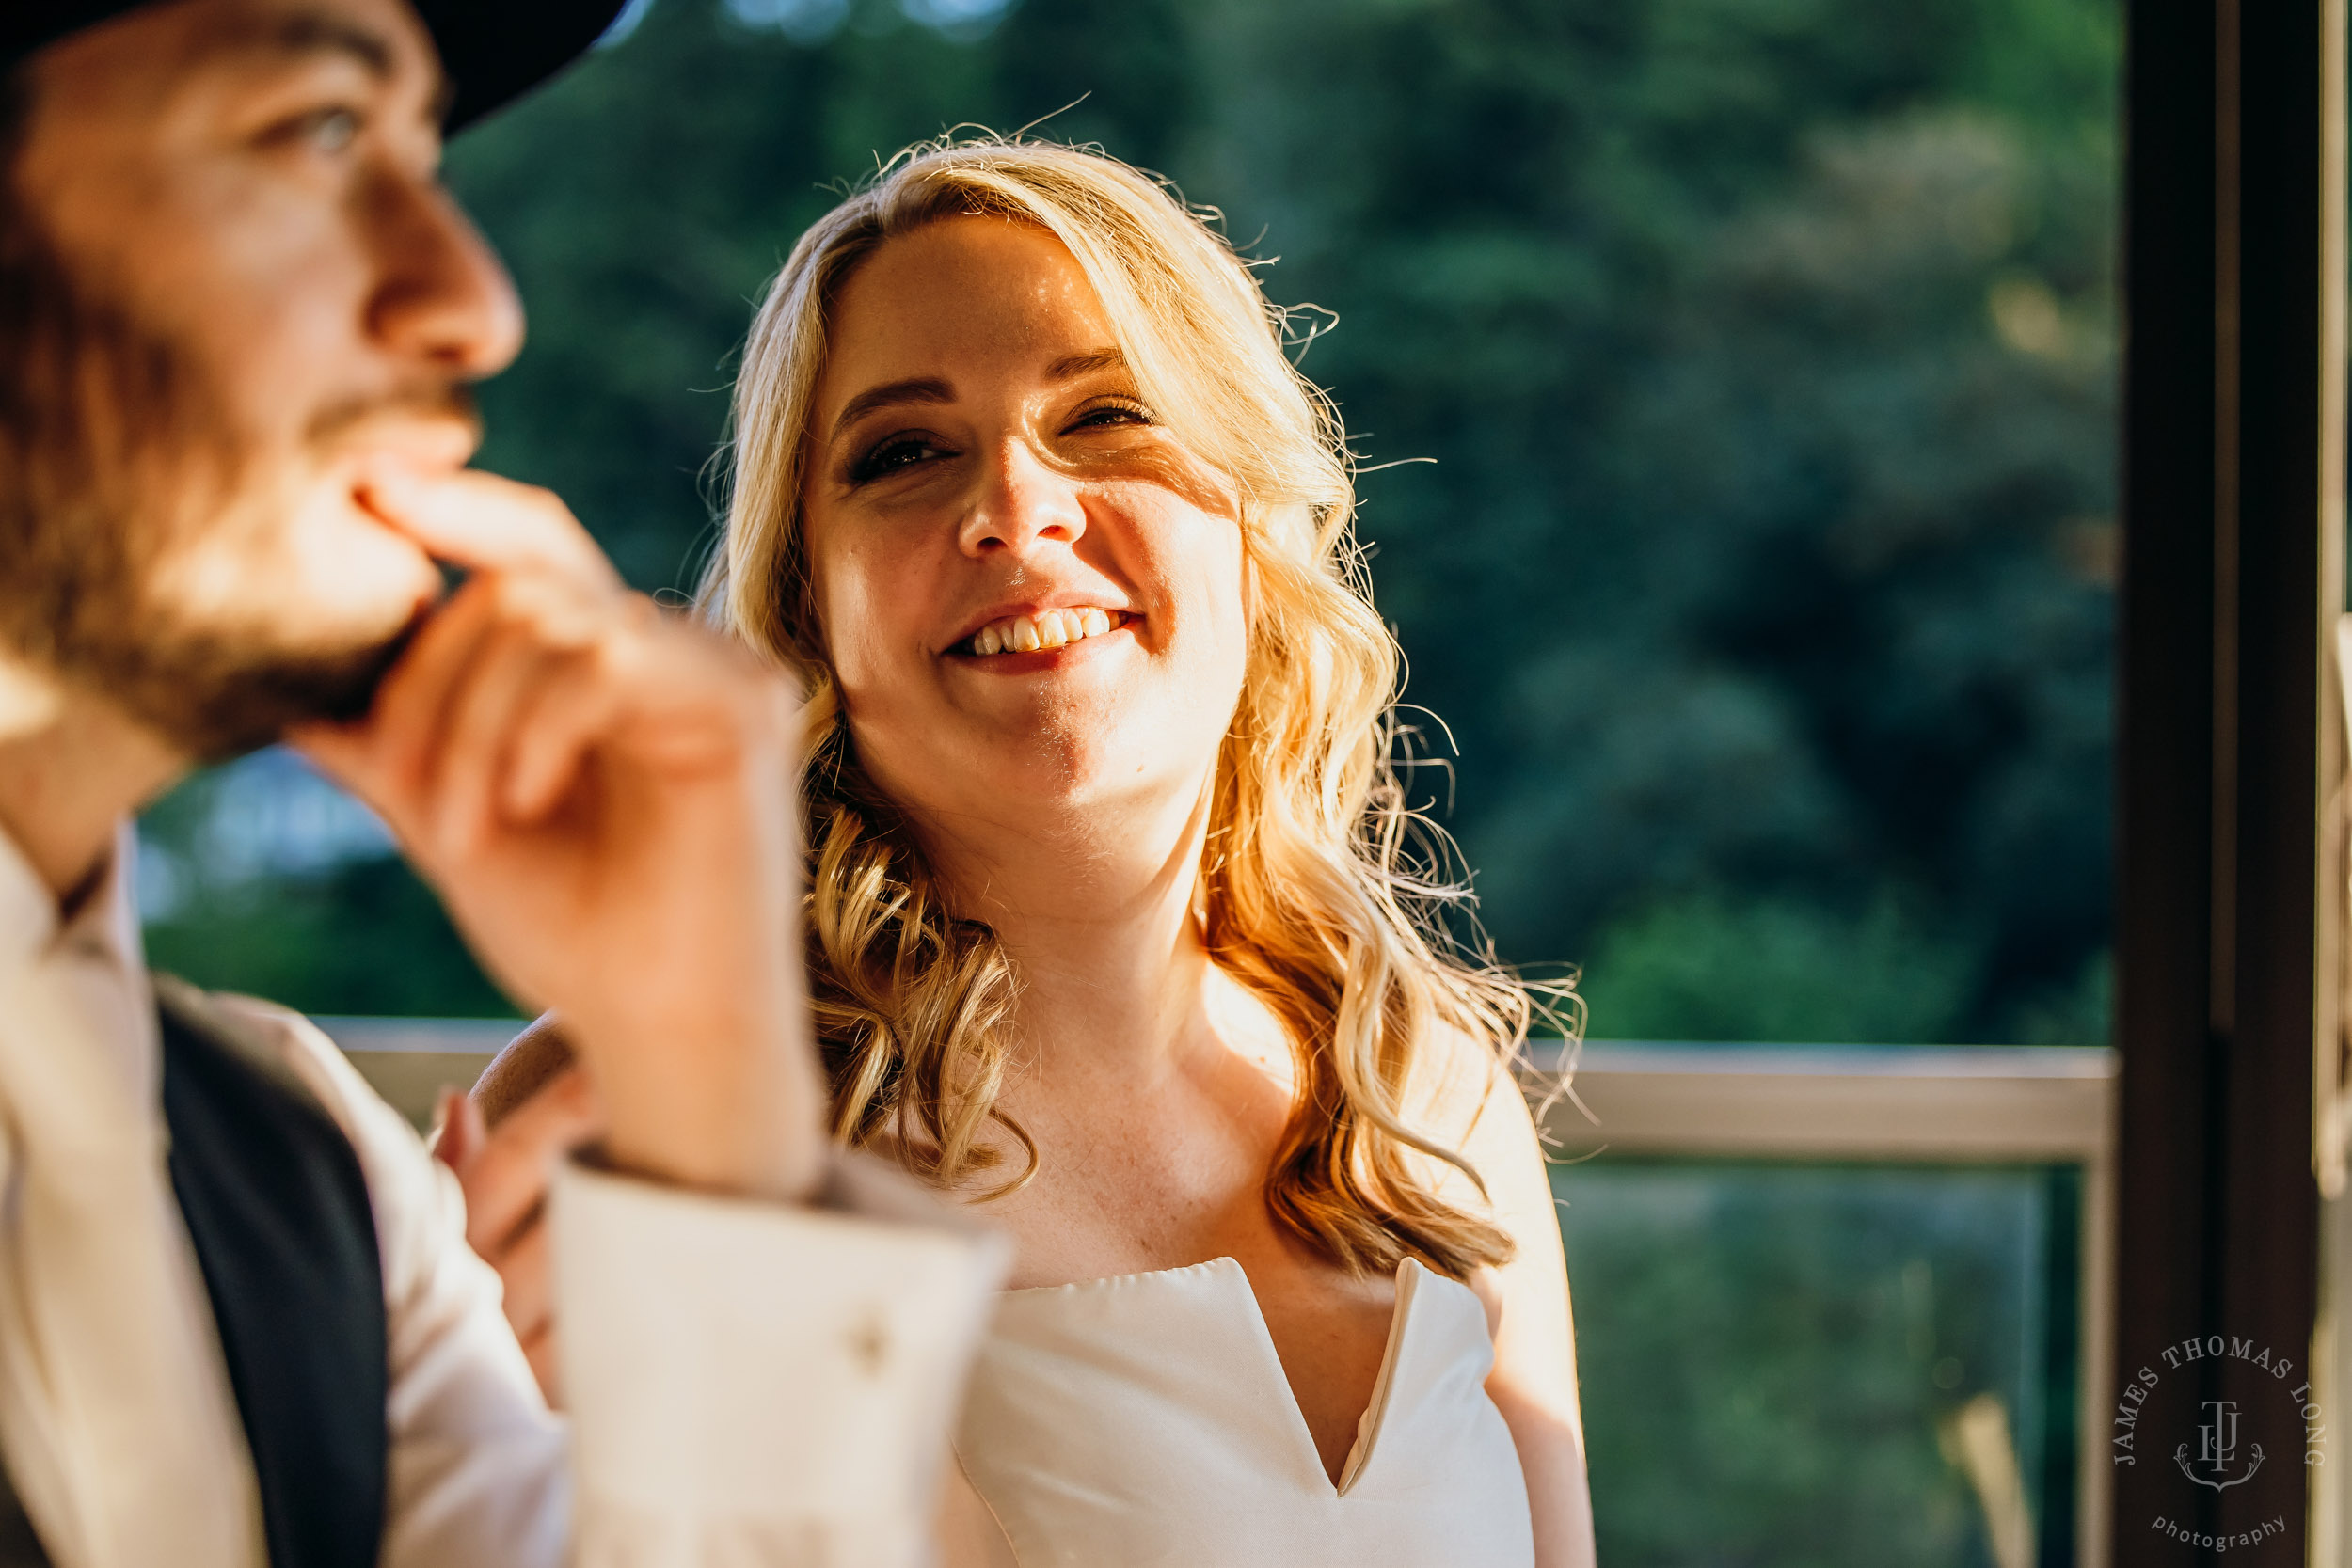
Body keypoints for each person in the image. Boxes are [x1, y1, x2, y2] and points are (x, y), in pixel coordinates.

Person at [470, 138, 1600, 1568]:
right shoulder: (634, 1125)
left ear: (1250, 522)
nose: (1015, 506)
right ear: (806, 605)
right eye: (904, 453)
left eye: (1107, 415)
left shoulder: (1428, 1103)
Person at [0, 3, 1004, 1565]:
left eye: (425, 153)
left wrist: (709, 1080)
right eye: (319, 129)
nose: (471, 304)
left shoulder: (315, 1183)